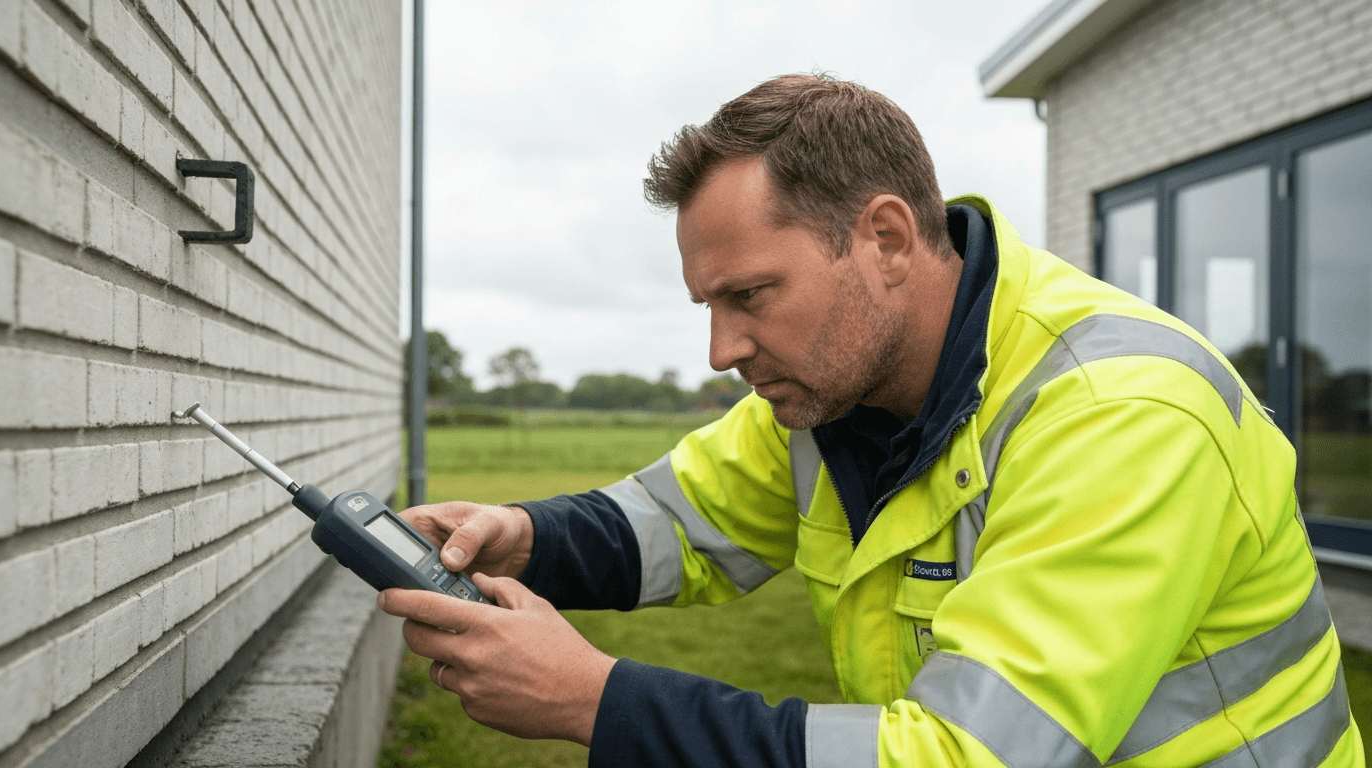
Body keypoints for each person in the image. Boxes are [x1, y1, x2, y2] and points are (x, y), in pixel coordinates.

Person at [376, 74, 1365, 767]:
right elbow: (674, 525)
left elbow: (965, 755)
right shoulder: (824, 395)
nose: (721, 349)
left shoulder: (1122, 418)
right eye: (708, 306)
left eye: (752, 294)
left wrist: (595, 701)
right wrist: (520, 538)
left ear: (885, 239)